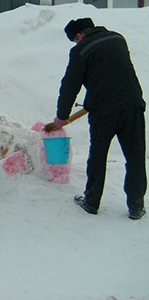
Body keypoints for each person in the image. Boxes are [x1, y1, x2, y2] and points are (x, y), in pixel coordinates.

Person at [52, 18, 146, 220]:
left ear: (79, 36)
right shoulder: (117, 38)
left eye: (75, 41)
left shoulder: (81, 50)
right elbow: (110, 72)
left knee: (98, 154)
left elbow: (70, 85)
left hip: (104, 110)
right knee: (135, 155)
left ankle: (92, 201)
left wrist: (61, 116)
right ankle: (136, 205)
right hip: (132, 103)